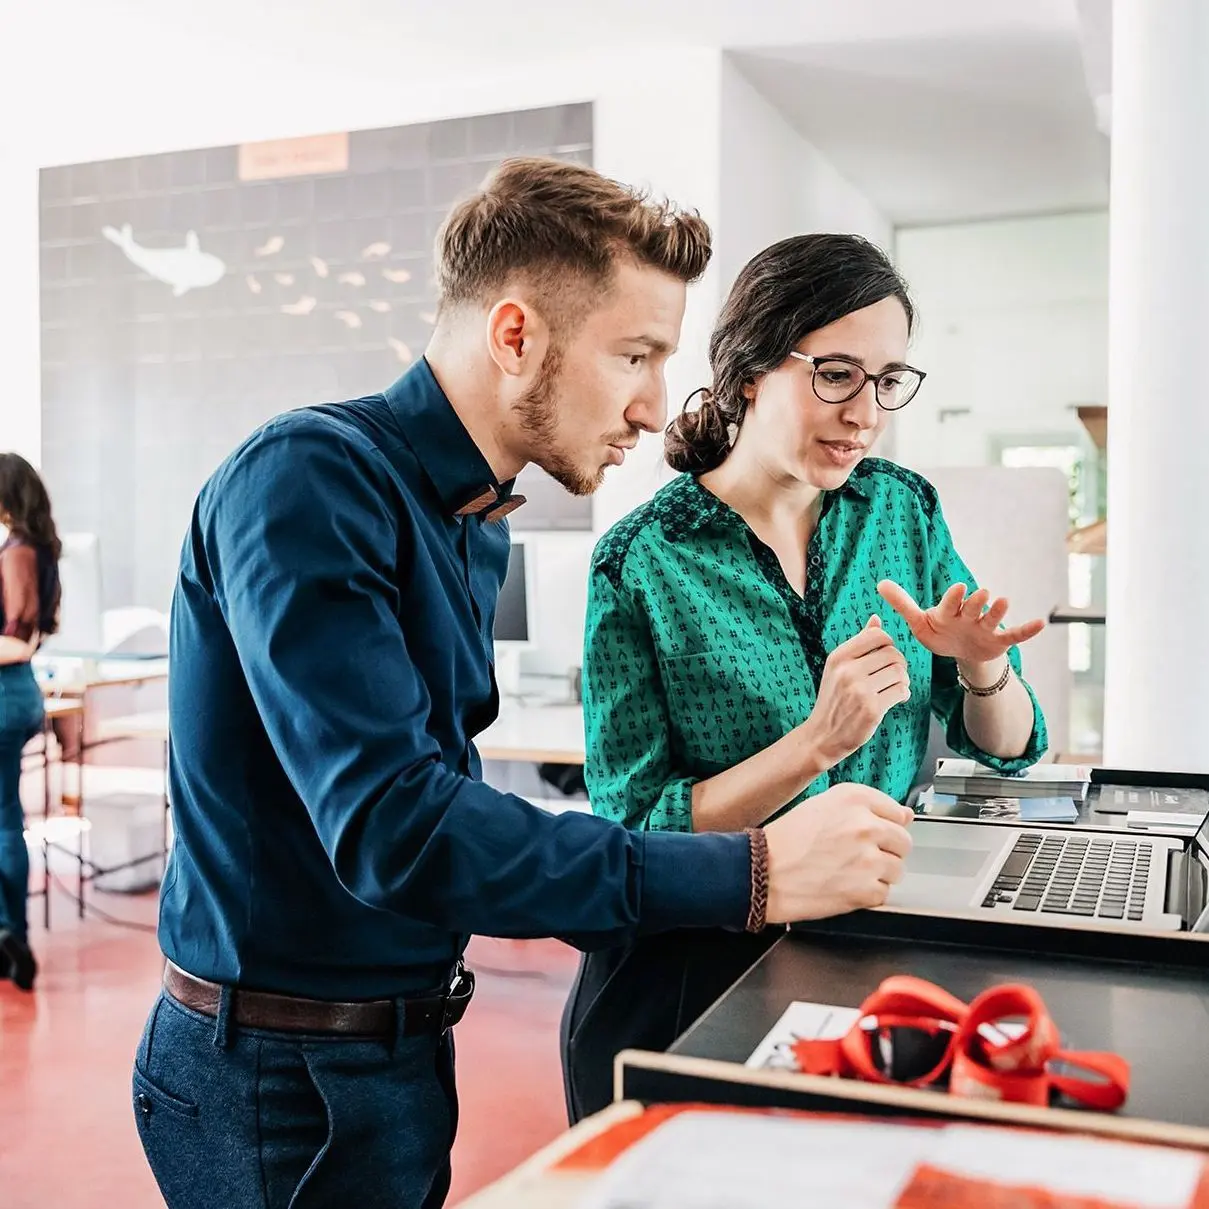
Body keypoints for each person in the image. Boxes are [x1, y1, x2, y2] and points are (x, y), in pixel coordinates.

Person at [132, 159, 915, 1209]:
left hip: (392, 1052)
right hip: (282, 1079)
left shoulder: (474, 522)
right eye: (635, 355)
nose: (652, 406)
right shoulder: (306, 480)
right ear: (515, 336)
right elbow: (396, 826)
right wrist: (752, 873)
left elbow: (445, 807)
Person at [561, 232, 1049, 1121]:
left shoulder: (899, 508)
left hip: (870, 948)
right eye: (835, 373)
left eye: (888, 379)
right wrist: (816, 742)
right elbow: (634, 828)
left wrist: (982, 669)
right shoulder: (640, 561)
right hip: (690, 974)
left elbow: (1007, 746)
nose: (865, 412)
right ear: (749, 370)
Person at [0, 453, 62, 992]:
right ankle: (8, 933)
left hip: (6, 692)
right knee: (3, 816)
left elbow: (18, 641)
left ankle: (11, 936)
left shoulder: (18, 552)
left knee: (2, 820)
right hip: (18, 696)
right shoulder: (34, 549)